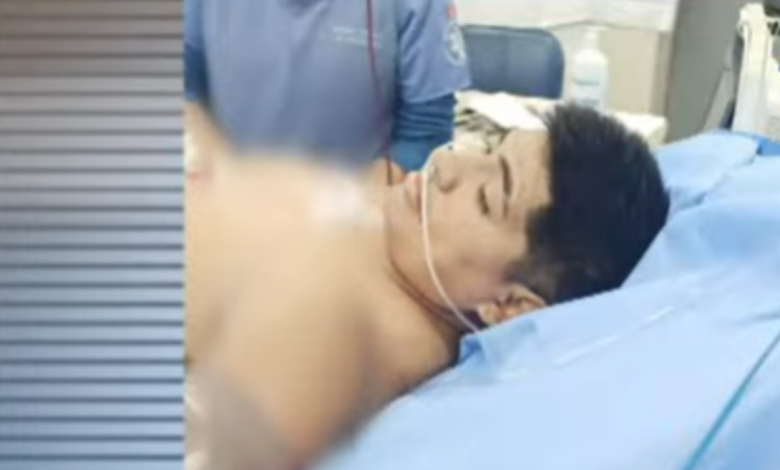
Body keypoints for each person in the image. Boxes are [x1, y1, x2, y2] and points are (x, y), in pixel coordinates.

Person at [185, 105, 670, 470]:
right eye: (486, 152)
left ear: (508, 305)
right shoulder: (406, 250)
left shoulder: (357, 344)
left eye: (486, 197)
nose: (451, 168)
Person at [184, 0, 471, 176]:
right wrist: (218, 168)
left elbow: (426, 133)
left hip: (356, 220)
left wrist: (353, 203)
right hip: (234, 206)